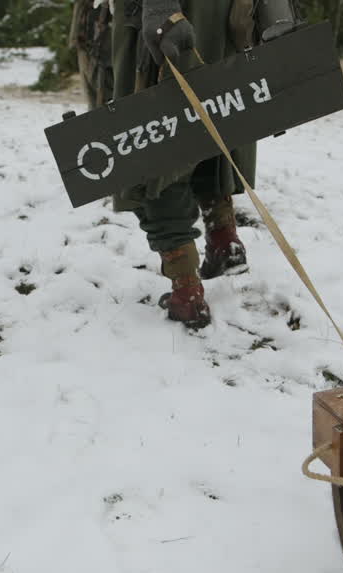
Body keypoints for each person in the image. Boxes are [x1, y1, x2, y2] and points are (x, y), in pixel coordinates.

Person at [112, 0, 255, 329]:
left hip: (168, 14)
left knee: (155, 143)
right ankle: (224, 238)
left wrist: (159, 8)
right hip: (221, 13)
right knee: (216, 112)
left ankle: (186, 288)